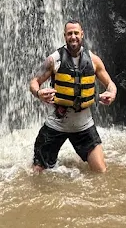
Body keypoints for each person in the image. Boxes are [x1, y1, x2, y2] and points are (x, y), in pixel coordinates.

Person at [29, 20, 116, 174]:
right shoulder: (54, 59)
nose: (73, 36)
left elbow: (111, 84)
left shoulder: (94, 60)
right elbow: (34, 82)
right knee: (37, 173)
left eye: (76, 33)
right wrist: (38, 93)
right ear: (65, 36)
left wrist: (112, 93)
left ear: (82, 34)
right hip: (56, 125)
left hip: (84, 127)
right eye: (70, 33)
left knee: (101, 172)